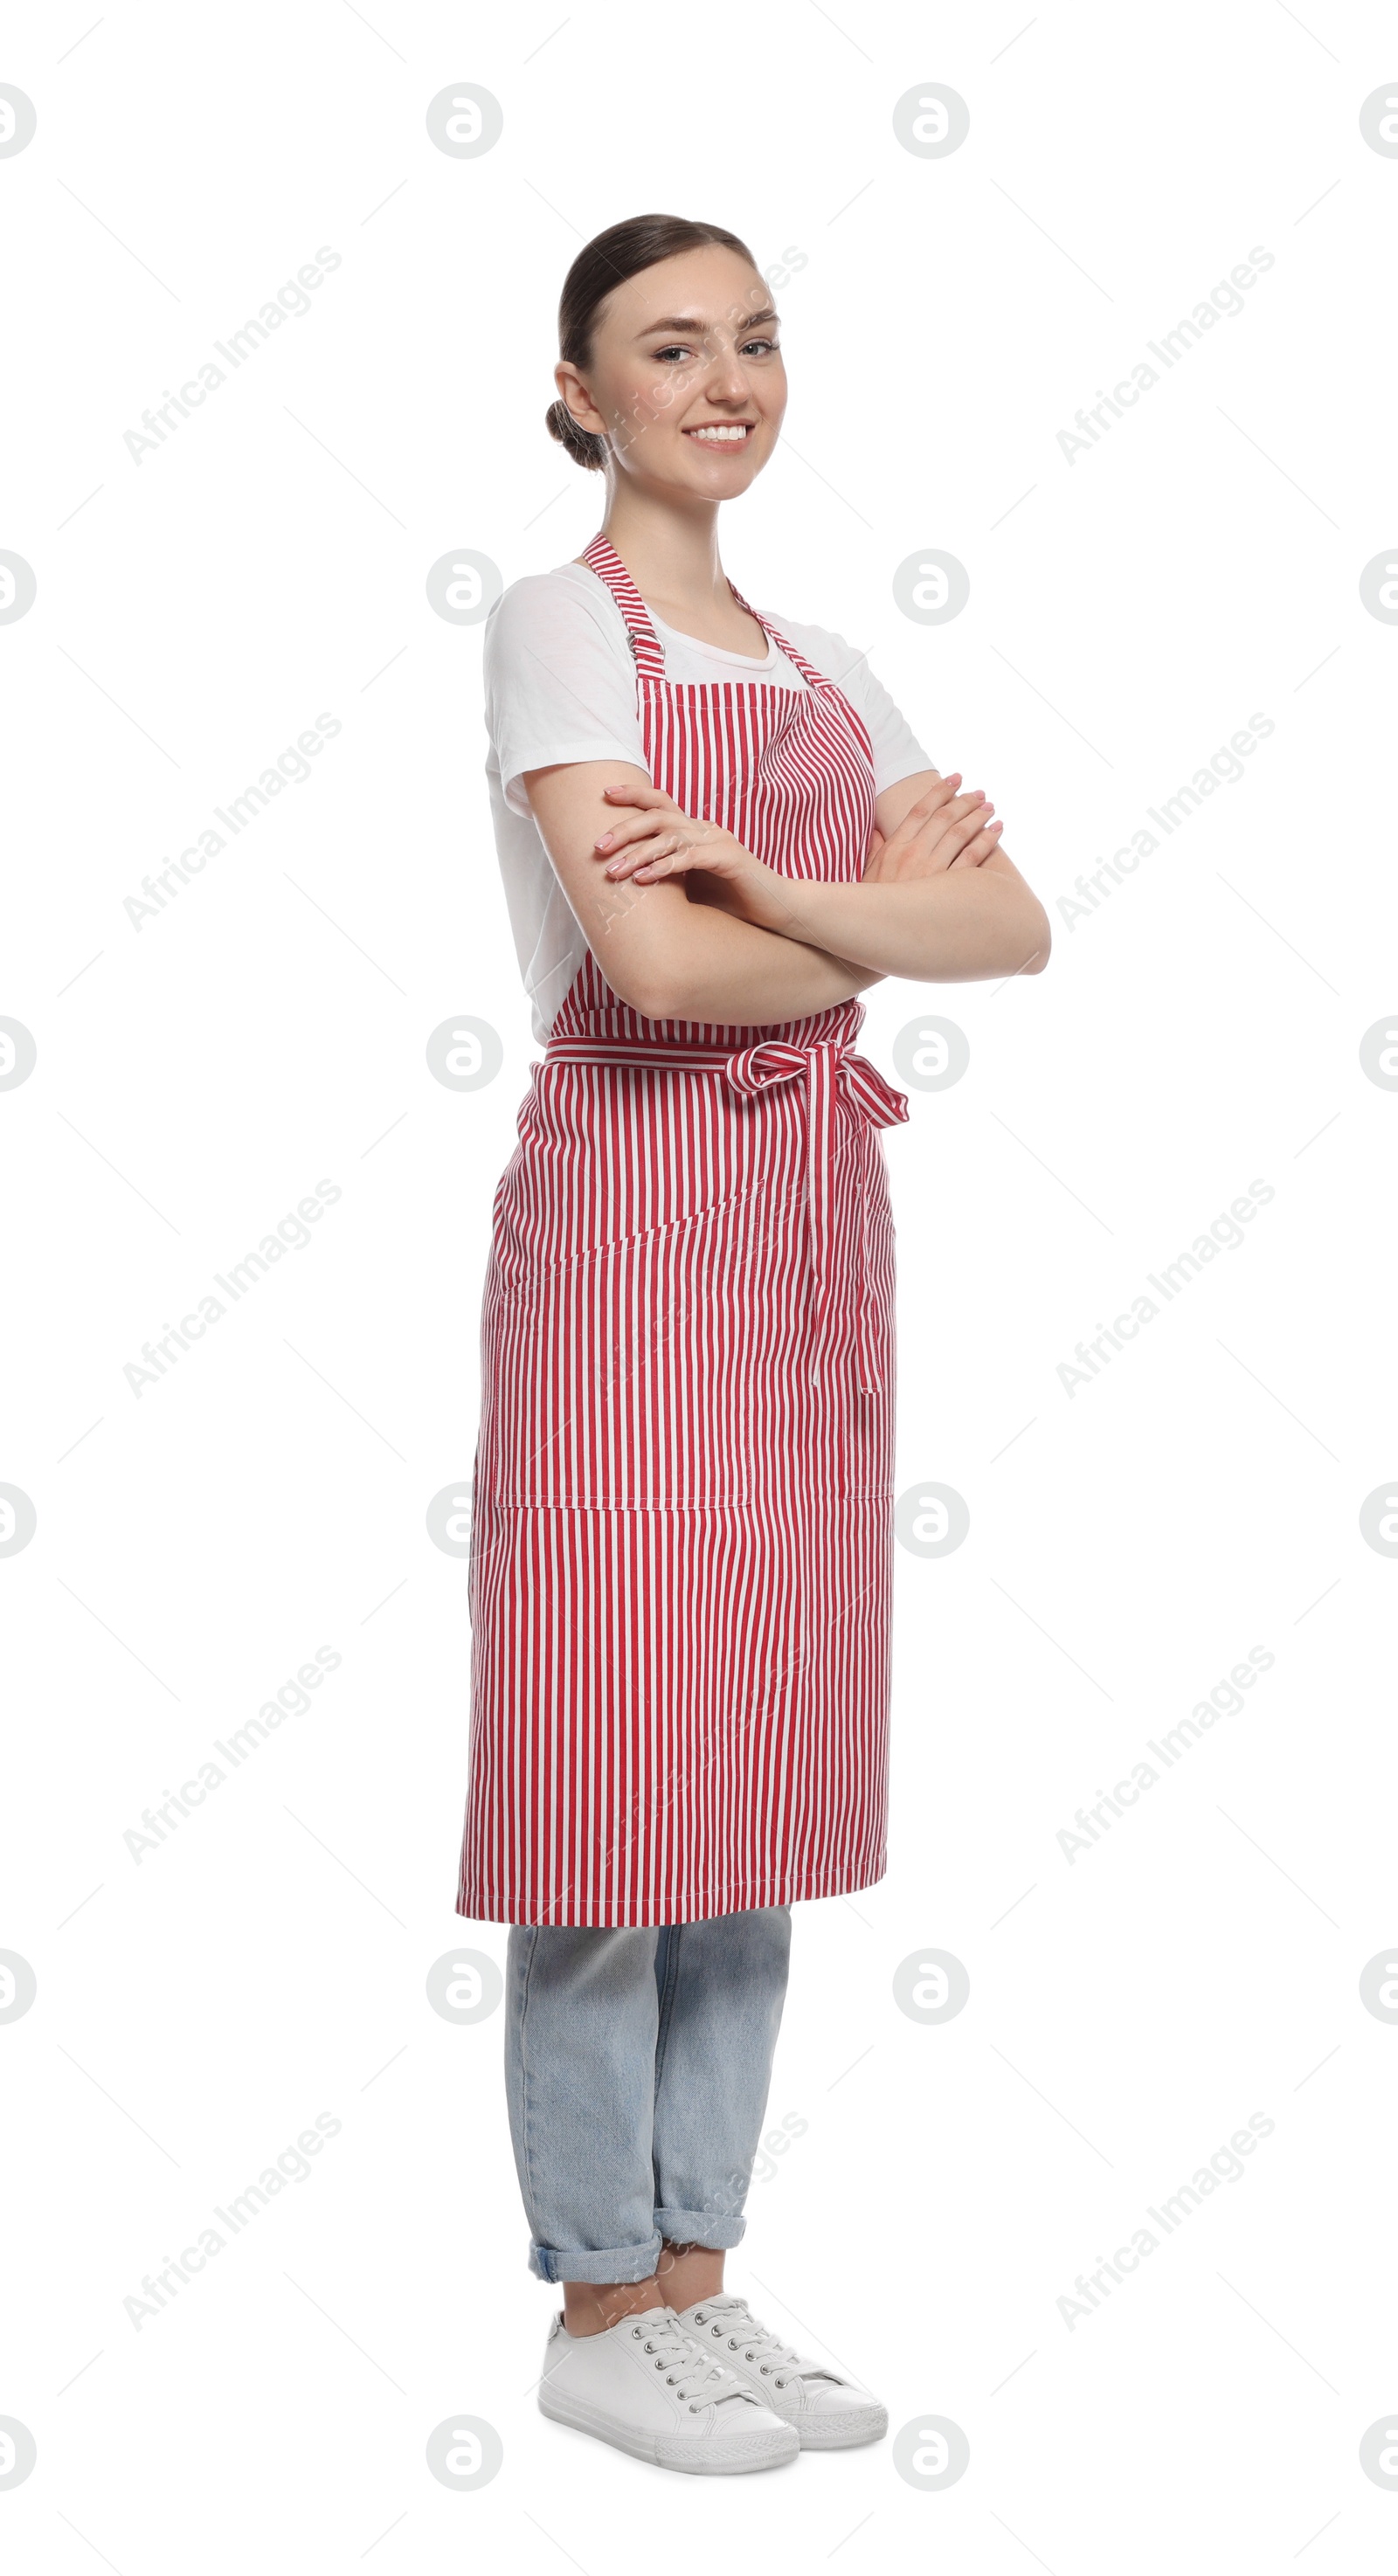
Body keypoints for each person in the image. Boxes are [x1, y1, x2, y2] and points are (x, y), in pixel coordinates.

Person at [455, 211, 1051, 2476]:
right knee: (620, 1734)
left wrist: (781, 890)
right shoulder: (553, 628)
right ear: (582, 392)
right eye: (669, 347)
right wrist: (838, 928)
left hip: (808, 1219)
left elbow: (1006, 919)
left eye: (757, 340)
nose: (726, 379)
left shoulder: (814, 661)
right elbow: (655, 979)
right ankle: (598, 2289)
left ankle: (702, 2269)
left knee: (760, 1748)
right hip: (631, 1211)